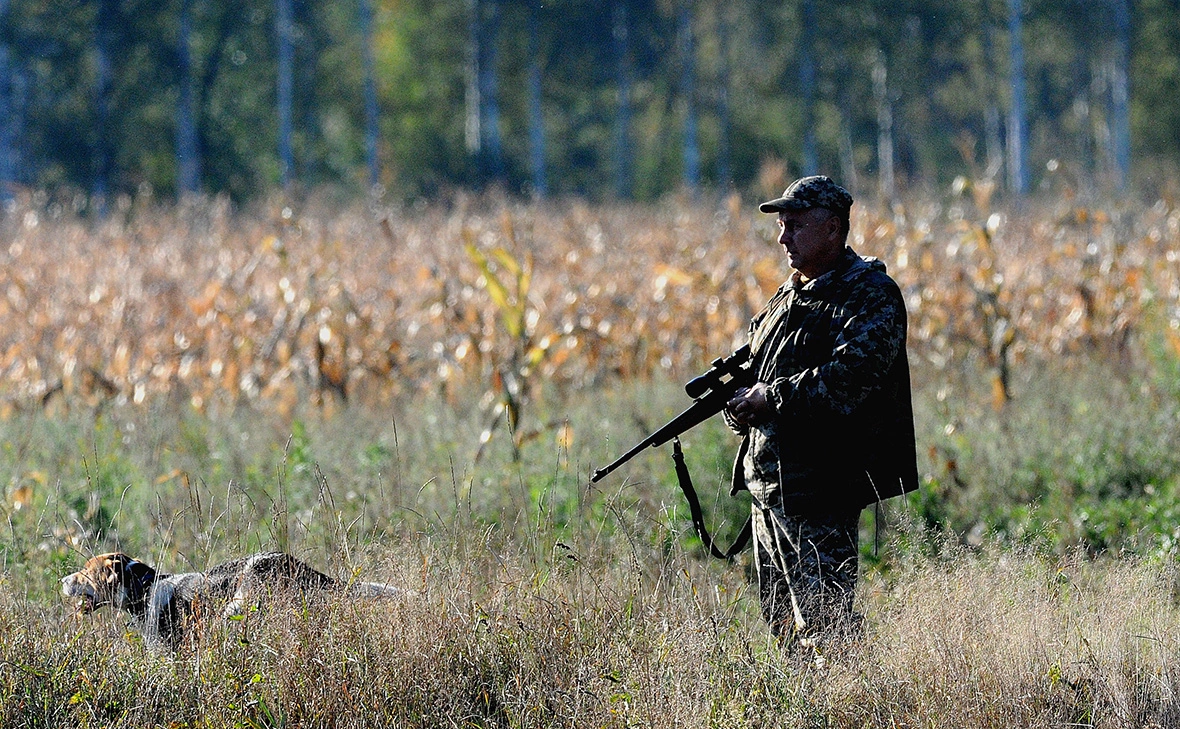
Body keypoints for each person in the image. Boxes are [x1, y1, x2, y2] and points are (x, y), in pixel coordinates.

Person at [724, 175, 919, 650]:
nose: (782, 237)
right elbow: (756, 369)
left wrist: (770, 398)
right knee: (782, 630)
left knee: (825, 628)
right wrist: (739, 406)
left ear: (832, 229)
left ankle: (850, 709)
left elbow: (849, 377)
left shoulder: (870, 295)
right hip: (769, 489)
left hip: (822, 488)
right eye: (781, 225)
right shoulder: (787, 297)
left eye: (795, 225)